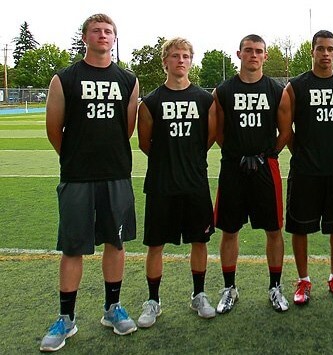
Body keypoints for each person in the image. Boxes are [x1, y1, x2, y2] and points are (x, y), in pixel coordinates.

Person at [41, 13, 140, 352]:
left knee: (116, 242)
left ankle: (112, 309)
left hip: (115, 173)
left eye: (108, 31)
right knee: (73, 247)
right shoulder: (65, 77)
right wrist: (75, 158)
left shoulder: (128, 79)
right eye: (96, 30)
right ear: (84, 37)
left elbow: (127, 129)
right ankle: (65, 318)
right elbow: (55, 128)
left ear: (115, 38)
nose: (102, 35)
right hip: (77, 175)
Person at [135, 37, 218, 328]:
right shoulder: (152, 102)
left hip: (195, 183)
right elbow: (146, 143)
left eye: (185, 56)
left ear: (190, 61)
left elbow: (208, 139)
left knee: (200, 240)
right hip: (161, 184)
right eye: (174, 56)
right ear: (165, 62)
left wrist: (189, 160)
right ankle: (153, 301)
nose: (180, 60)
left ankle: (199, 294)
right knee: (156, 244)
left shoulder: (205, 100)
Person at [213, 34, 292, 313]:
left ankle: (275, 287)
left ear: (265, 56)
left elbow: (285, 132)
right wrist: (237, 153)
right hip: (233, 168)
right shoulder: (223, 91)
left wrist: (266, 154)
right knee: (230, 230)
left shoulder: (276, 89)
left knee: (273, 229)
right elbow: (219, 131)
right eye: (248, 50)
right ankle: (229, 288)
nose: (254, 55)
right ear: (239, 54)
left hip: (265, 169)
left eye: (259, 51)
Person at [285, 30, 333, 304]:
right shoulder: (296, 86)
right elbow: (286, 127)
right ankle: (303, 280)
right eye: (320, 49)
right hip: (305, 170)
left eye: (330, 49)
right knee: (300, 227)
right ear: (312, 51)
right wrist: (302, 152)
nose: (325, 54)